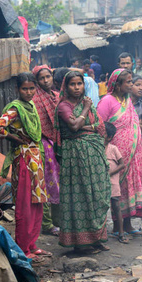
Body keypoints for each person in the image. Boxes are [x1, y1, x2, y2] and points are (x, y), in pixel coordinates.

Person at [0, 72, 50, 262]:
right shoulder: (15, 108)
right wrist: (14, 138)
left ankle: (32, 244)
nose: (29, 92)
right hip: (24, 159)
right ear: (17, 89)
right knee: (25, 204)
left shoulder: (30, 105)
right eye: (25, 88)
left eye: (32, 88)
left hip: (36, 158)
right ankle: (23, 248)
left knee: (37, 203)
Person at [54, 71, 111, 252]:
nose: (77, 88)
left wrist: (86, 123)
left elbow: (100, 126)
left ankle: (95, 238)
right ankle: (80, 243)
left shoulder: (86, 103)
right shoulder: (64, 106)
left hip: (93, 155)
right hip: (76, 157)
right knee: (81, 195)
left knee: (96, 195)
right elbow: (74, 126)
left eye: (79, 84)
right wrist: (85, 110)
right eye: (73, 84)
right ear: (66, 86)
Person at [97, 68, 142, 232]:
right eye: (128, 82)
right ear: (117, 85)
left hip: (134, 152)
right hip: (117, 154)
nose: (131, 84)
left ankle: (128, 225)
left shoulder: (128, 100)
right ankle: (117, 226)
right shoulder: (107, 101)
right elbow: (101, 127)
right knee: (118, 190)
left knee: (129, 188)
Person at [32, 65, 61, 237]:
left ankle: (59, 221)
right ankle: (47, 223)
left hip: (58, 143)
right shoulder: (34, 99)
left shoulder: (57, 96)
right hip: (43, 145)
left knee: (59, 183)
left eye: (48, 76)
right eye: (41, 78)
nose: (45, 80)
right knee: (47, 183)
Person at [104, 122, 128, 244]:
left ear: (109, 137)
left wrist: (110, 173)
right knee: (101, 207)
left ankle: (121, 232)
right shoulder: (96, 148)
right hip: (100, 183)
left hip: (112, 182)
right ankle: (101, 234)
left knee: (116, 206)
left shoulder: (113, 149)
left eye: (102, 133)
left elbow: (122, 164)